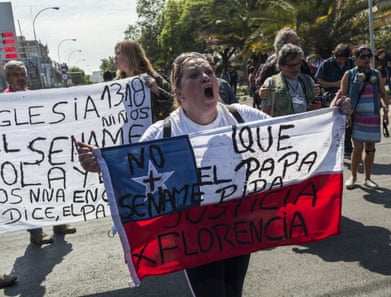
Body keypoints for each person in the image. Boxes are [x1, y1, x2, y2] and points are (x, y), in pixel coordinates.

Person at [77, 52, 351, 297]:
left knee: (232, 291)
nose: (206, 77)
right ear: (179, 92)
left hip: (239, 221)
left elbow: (291, 137)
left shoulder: (240, 116)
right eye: (194, 75)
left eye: (208, 72)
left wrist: (333, 116)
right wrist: (102, 166)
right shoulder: (163, 133)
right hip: (192, 229)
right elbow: (131, 171)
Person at [3, 60, 77, 246]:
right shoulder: (3, 101)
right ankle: (36, 232)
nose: (21, 78)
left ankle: (59, 223)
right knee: (29, 194)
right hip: (19, 157)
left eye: (23, 74)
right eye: (16, 75)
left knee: (51, 187)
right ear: (7, 78)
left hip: (42, 154)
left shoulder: (36, 98)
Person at [341, 45, 390, 190]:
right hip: (356, 117)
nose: (367, 59)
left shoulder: (376, 74)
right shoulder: (349, 74)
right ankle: (353, 176)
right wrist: (347, 113)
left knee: (370, 148)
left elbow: (383, 93)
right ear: (356, 59)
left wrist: (386, 110)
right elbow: (343, 96)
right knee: (357, 148)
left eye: (369, 56)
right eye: (363, 56)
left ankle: (368, 178)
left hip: (373, 116)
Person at [114, 40, 174, 122]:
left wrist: (157, 91)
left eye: (118, 53)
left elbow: (175, 104)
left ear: (130, 55)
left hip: (155, 132)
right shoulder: (115, 85)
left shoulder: (153, 77)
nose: (115, 57)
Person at [315, 43, 354, 159]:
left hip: (347, 96)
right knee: (333, 124)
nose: (341, 61)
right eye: (339, 58)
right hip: (330, 96)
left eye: (344, 59)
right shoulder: (326, 64)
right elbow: (319, 81)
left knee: (348, 122)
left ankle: (347, 147)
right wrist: (335, 84)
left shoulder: (350, 63)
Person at [259, 43, 321, 116]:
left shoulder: (308, 81)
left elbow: (317, 108)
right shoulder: (271, 83)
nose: (296, 68)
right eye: (291, 66)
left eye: (298, 64)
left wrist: (317, 107)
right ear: (281, 66)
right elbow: (265, 115)